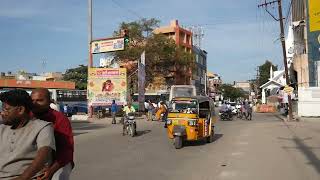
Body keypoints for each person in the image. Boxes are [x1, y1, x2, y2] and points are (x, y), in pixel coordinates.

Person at [0, 89, 55, 179]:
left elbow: (44, 154)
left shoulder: (43, 127)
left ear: (21, 110)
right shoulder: (2, 128)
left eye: (6, 110)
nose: (2, 113)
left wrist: (22, 178)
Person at [31, 88, 74, 180]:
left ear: (49, 101)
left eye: (40, 100)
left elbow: (66, 150)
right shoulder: (27, 117)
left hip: (58, 162)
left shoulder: (60, 119)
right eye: (32, 100)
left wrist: (51, 170)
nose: (34, 103)